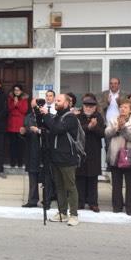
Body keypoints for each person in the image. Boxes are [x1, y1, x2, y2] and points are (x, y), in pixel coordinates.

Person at [39, 93, 80, 226]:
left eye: (59, 100)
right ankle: (62, 212)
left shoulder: (70, 118)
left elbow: (57, 129)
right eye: (56, 100)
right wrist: (42, 118)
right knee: (59, 187)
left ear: (67, 103)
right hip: (55, 158)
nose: (56, 102)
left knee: (70, 187)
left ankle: (74, 215)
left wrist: (46, 115)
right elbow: (50, 129)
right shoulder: (57, 117)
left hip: (67, 158)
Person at [105, 100, 131, 216]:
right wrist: (117, 128)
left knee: (130, 184)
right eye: (121, 107)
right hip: (115, 154)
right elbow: (107, 133)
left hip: (129, 156)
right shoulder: (113, 120)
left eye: (125, 107)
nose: (122, 109)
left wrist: (123, 127)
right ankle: (117, 207)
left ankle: (130, 208)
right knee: (116, 183)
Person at [76, 94, 105, 212]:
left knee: (93, 178)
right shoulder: (79, 116)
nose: (88, 108)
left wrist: (94, 127)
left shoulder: (98, 116)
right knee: (80, 177)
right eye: (86, 106)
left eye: (91, 106)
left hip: (94, 151)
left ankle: (93, 203)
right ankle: (80, 201)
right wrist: (89, 126)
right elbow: (77, 130)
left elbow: (103, 133)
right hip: (81, 150)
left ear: (95, 108)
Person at [6, 84, 28, 168]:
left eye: (18, 90)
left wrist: (17, 103)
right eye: (15, 90)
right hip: (11, 124)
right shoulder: (10, 98)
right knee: (12, 145)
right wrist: (13, 103)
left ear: (21, 91)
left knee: (20, 145)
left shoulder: (24, 99)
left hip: (20, 124)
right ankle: (12, 162)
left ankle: (20, 162)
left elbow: (24, 110)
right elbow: (8, 109)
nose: (16, 92)